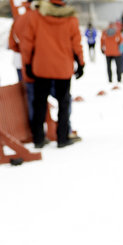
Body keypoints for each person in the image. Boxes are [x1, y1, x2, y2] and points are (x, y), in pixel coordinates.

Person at [19, 0, 83, 148]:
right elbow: (76, 43)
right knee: (63, 102)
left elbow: (28, 42)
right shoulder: (71, 19)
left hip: (41, 66)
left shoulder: (37, 16)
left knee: (39, 103)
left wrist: (27, 64)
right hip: (63, 67)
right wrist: (80, 63)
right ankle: (62, 137)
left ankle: (38, 138)